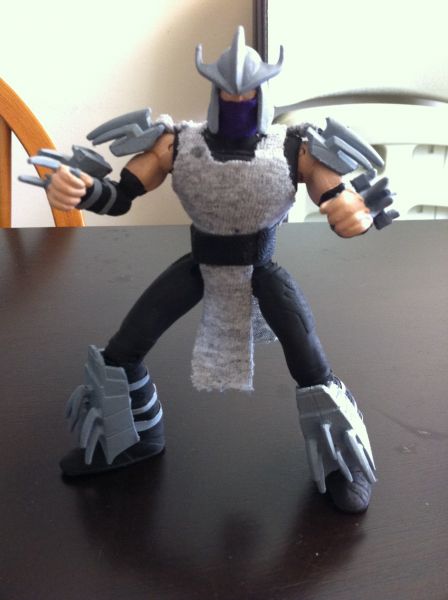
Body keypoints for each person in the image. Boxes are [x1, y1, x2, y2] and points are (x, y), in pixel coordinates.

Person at [31, 27, 395, 513]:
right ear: (214, 92)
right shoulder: (175, 142)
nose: (238, 100)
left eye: (248, 93)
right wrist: (82, 191)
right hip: (200, 264)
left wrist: (353, 213)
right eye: (228, 92)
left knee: (311, 364)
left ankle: (342, 463)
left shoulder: (297, 147)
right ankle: (133, 436)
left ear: (263, 93)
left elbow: (336, 198)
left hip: (261, 268)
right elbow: (120, 196)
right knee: (124, 348)